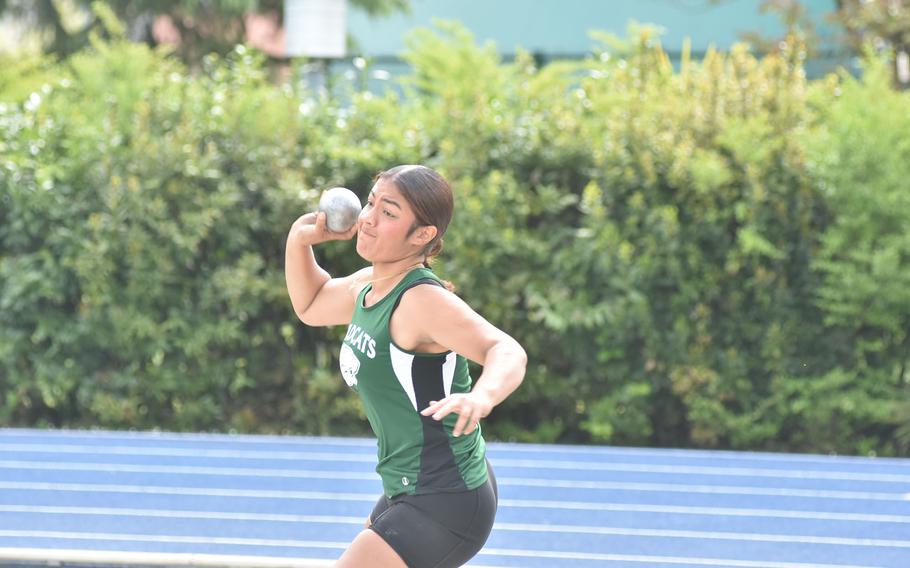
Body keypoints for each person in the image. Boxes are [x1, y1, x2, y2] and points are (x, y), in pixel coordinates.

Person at [285, 164, 527, 568]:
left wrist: (483, 396)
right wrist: (299, 239)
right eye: (371, 203)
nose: (368, 219)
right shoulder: (372, 283)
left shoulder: (421, 301)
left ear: (423, 235)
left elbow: (506, 349)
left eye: (389, 213)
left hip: (446, 498)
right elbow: (311, 304)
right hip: (411, 486)